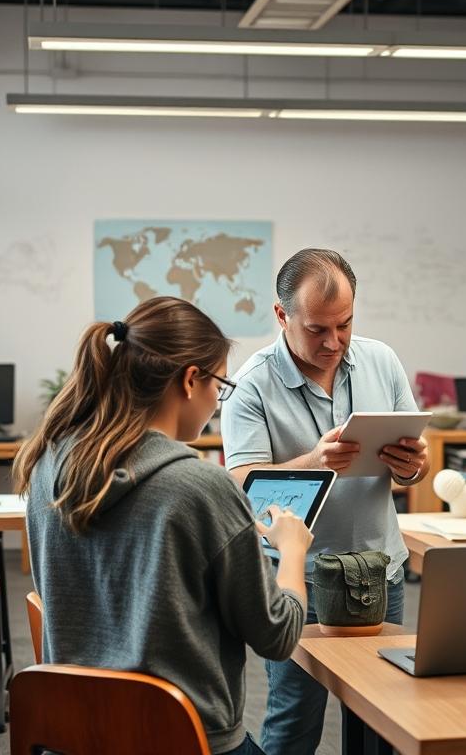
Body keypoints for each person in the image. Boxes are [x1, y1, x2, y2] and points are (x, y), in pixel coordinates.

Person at [16, 296, 311, 755]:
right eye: (221, 384)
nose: (219, 399)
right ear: (191, 380)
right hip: (184, 740)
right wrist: (291, 550)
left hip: (73, 736)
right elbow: (278, 636)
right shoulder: (200, 487)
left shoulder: (46, 466)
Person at [222, 248, 427, 755]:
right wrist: (314, 460)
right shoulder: (251, 382)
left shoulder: (382, 358)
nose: (333, 342)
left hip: (381, 568)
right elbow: (243, 484)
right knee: (295, 719)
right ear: (281, 315)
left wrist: (412, 466)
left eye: (345, 324)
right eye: (317, 329)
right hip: (300, 576)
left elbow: (415, 461)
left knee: (384, 715)